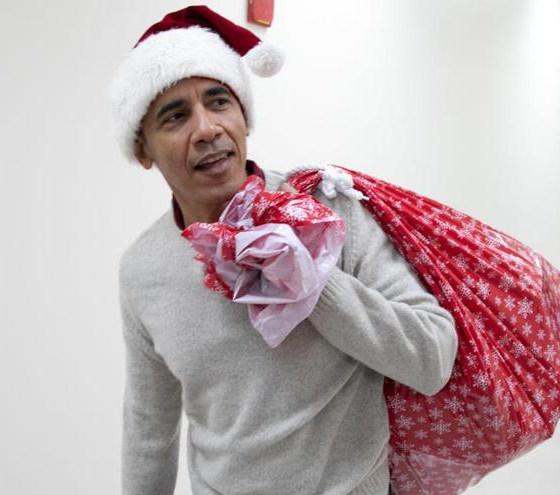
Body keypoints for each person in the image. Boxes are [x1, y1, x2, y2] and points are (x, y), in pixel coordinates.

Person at [109, 6, 457, 494]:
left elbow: (432, 358)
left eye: (219, 101)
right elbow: (149, 430)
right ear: (143, 149)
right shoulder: (142, 269)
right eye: (175, 116)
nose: (207, 128)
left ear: (244, 116)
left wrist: (316, 282)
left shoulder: (330, 208)